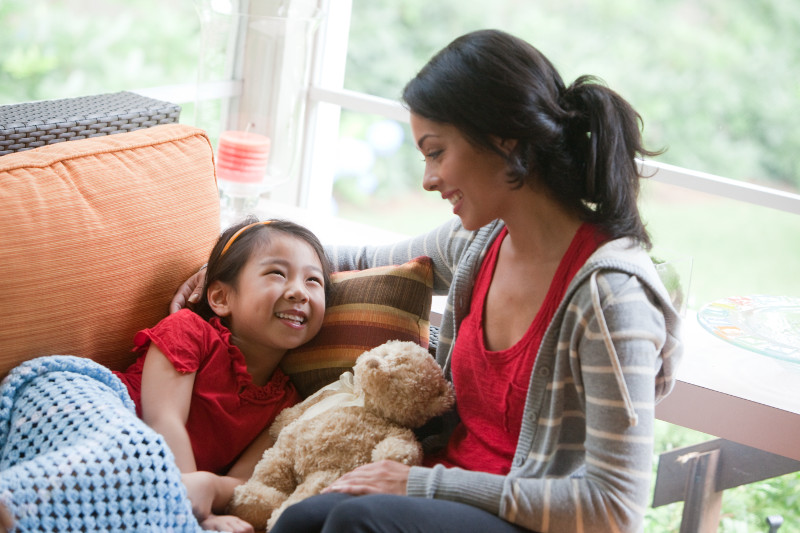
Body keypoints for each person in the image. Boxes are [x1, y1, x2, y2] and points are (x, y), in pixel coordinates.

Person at [173, 29, 682, 533]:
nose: (428, 179)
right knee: (301, 519)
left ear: (504, 139)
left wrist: (423, 485)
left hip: (528, 516)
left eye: (436, 152)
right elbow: (357, 258)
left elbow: (615, 508)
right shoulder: (478, 242)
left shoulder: (610, 297)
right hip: (445, 486)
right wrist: (235, 260)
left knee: (355, 520)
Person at [118, 217, 330, 532]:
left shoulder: (287, 405)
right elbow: (163, 420)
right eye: (277, 273)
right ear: (220, 298)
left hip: (164, 483)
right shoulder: (188, 330)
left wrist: (210, 488)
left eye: (313, 280)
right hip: (110, 416)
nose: (299, 291)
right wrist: (194, 509)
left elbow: (246, 480)